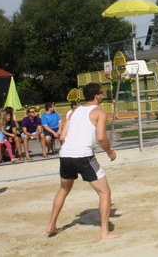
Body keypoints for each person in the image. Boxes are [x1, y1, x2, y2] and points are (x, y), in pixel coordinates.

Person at [46, 82, 120, 240]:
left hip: (66, 155)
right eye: (101, 93)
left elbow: (63, 137)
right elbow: (101, 138)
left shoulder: (74, 111)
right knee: (105, 192)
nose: (102, 96)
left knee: (63, 190)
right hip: (84, 156)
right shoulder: (99, 112)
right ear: (96, 95)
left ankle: (51, 224)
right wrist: (110, 152)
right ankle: (105, 232)